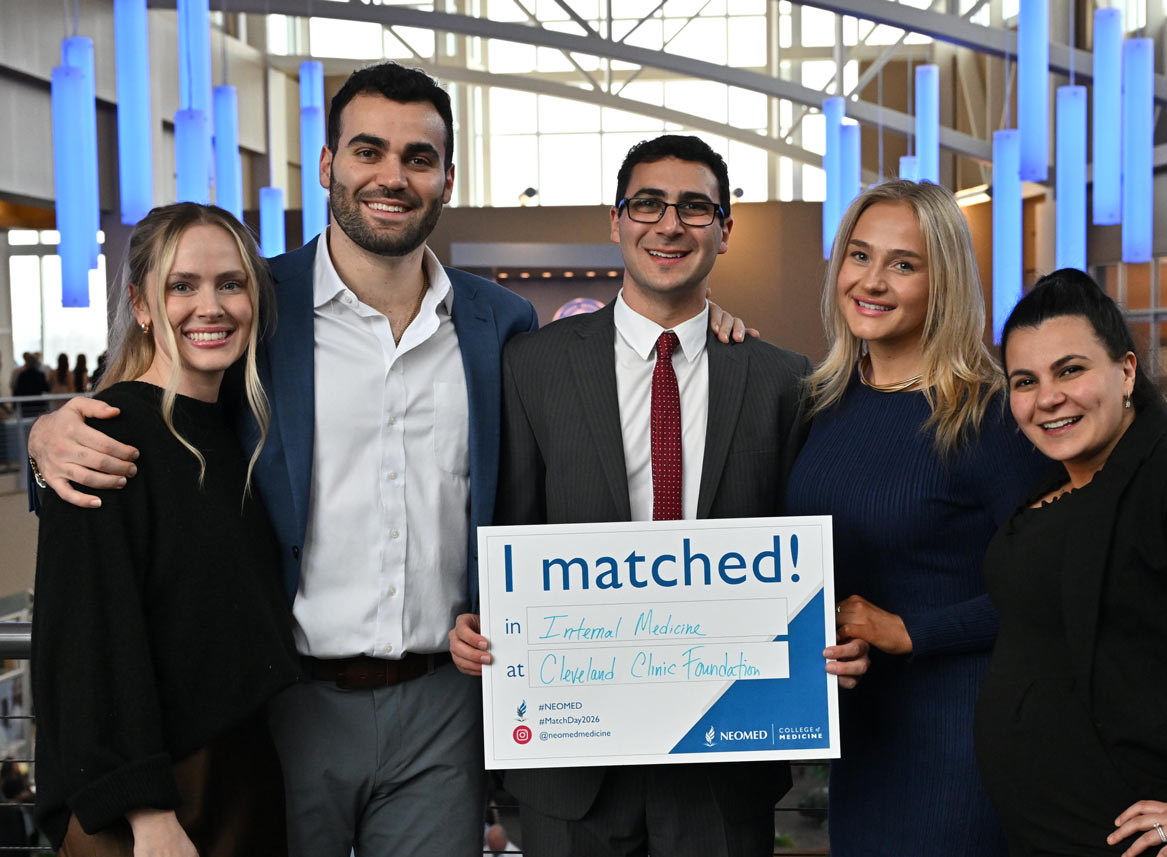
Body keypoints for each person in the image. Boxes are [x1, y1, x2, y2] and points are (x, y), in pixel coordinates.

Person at [27, 64, 750, 857]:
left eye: (417, 157)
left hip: (444, 704)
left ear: (446, 177)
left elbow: (601, 386)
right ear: (330, 163)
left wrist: (708, 335)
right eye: (368, 151)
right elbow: (168, 412)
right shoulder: (256, 304)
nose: (392, 176)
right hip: (284, 702)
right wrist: (50, 435)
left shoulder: (499, 323)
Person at [450, 134, 869, 857]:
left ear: (725, 230)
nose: (669, 224)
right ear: (616, 221)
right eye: (647, 203)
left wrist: (832, 627)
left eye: (695, 207)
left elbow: (803, 548)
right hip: (572, 763)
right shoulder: (532, 366)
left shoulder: (782, 381)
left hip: (722, 764)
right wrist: (478, 618)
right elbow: (506, 525)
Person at [783, 179, 1045, 856]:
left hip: (958, 740)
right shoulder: (820, 405)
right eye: (859, 256)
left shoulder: (991, 417)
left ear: (944, 281)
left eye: (903, 263)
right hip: (859, 740)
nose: (873, 280)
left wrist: (910, 630)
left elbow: (1051, 588)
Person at [31, 202, 300, 856]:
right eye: (183, 285)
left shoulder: (239, 429)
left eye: (230, 284)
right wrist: (147, 810)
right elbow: (90, 635)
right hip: (162, 800)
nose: (210, 306)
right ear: (143, 305)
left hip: (240, 776)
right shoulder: (105, 436)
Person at [976, 268, 1167, 857]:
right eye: (1025, 381)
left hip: (1132, 836)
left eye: (1070, 370)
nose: (1047, 397)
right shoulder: (1051, 484)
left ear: (1126, 371)